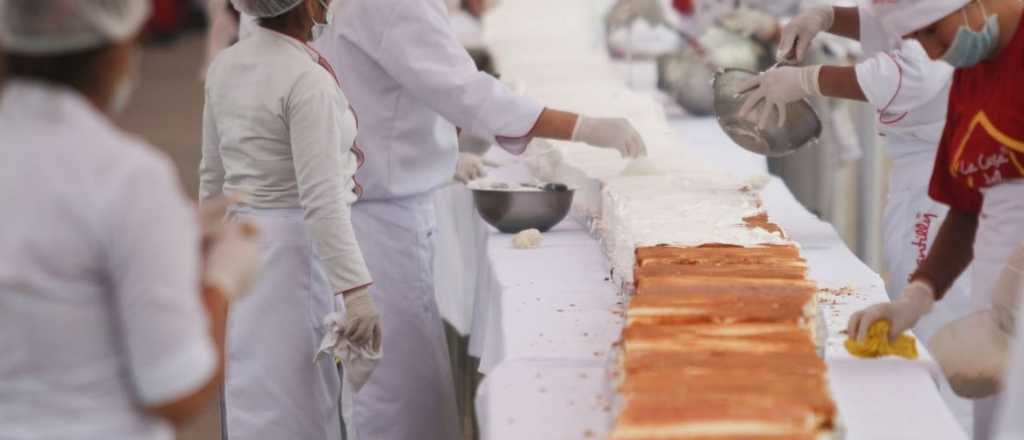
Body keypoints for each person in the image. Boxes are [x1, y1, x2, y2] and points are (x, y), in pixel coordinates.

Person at [313, 1, 647, 437]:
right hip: (379, 219)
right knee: (398, 393)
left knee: (399, 384)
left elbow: (414, 84)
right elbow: (467, 93)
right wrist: (581, 127)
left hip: (374, 200)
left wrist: (443, 147)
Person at [0, 0, 260, 438]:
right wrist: (221, 281)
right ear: (117, 50)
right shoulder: (126, 179)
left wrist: (167, 237)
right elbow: (176, 388)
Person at [840, 1, 1024, 438]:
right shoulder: (971, 77)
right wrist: (919, 294)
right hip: (999, 298)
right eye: (913, 40)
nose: (931, 52)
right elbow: (967, 203)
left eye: (930, 32)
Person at [201, 0, 380, 438]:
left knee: (251, 386)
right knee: (299, 400)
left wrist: (210, 262)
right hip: (294, 253)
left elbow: (212, 177)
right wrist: (356, 291)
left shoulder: (226, 64)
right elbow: (321, 198)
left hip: (241, 245)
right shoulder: (306, 81)